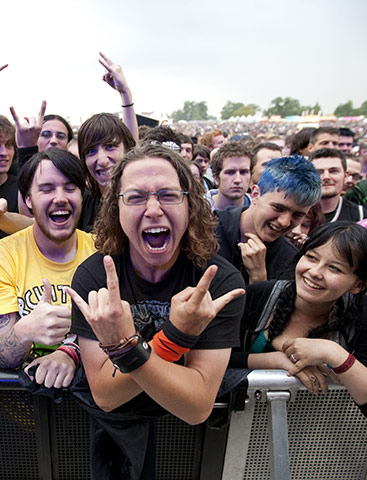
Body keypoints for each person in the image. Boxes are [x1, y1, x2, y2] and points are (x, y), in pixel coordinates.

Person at [68, 144, 245, 478]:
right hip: (115, 444)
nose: (152, 210)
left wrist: (125, 349)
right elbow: (106, 394)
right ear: (115, 209)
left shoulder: (217, 281)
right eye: (135, 197)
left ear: (190, 205)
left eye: (167, 195)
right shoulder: (95, 276)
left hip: (187, 446)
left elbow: (195, 406)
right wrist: (177, 337)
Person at [229, 222, 367, 434]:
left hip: (317, 445)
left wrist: (337, 356)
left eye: (335, 268)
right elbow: (209, 359)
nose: (315, 272)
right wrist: (274, 361)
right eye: (311, 257)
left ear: (359, 285)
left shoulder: (365, 319)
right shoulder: (260, 296)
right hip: (235, 434)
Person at [0, 150, 96, 386]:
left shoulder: (102, 255)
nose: (60, 198)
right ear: (28, 199)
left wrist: (69, 351)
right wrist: (25, 331)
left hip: (90, 411)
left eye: (70, 188)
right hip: (20, 413)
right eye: (47, 189)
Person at [215, 155, 322, 285]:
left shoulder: (289, 259)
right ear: (255, 195)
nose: (285, 222)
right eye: (278, 208)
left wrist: (258, 278)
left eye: (297, 215)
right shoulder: (207, 232)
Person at [309, 148, 367, 222]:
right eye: (318, 172)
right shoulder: (296, 210)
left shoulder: (360, 215)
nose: (326, 177)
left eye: (333, 171)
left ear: (345, 176)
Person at [204, 142, 253, 210]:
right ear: (216, 178)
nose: (237, 180)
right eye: (230, 172)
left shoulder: (259, 211)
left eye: (243, 172)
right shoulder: (197, 210)